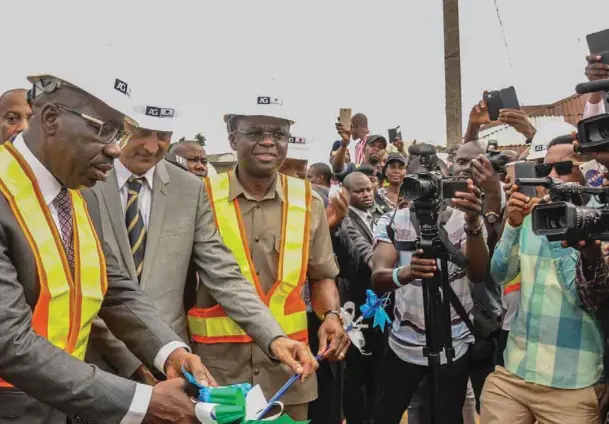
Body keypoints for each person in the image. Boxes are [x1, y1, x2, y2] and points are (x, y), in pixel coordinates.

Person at [0, 69, 213, 424]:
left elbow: (115, 288)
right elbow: (7, 341)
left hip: (64, 406)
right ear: (50, 118)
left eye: (119, 132)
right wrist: (144, 402)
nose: (115, 149)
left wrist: (169, 352)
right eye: (104, 129)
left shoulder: (79, 194)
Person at [86, 99, 315, 385]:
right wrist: (134, 360)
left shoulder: (190, 190)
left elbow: (224, 274)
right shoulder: (84, 183)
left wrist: (275, 337)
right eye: (141, 132)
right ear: (121, 125)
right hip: (95, 365)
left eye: (164, 136)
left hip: (170, 367)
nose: (151, 146)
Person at [188, 95, 349, 421]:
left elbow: (321, 276)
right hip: (217, 375)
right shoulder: (198, 197)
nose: (268, 142)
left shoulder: (308, 201)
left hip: (290, 373)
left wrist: (331, 314)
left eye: (278, 134)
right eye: (256, 132)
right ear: (233, 139)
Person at [481, 134, 605, 424]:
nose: (551, 176)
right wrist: (512, 225)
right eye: (543, 169)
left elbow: (585, 296)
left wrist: (559, 229)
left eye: (562, 168)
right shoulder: (530, 214)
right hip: (515, 370)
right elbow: (499, 274)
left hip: (572, 380)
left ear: (588, 169)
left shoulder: (600, 218)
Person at [370, 145, 489, 424]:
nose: (425, 192)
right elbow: (378, 276)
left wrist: (473, 222)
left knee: (448, 416)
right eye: (416, 183)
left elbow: (478, 273)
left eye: (432, 184)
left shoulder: (461, 219)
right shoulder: (392, 222)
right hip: (404, 344)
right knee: (385, 414)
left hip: (453, 344)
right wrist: (406, 273)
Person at [337, 171, 386, 424]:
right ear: (346, 193)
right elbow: (362, 250)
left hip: (381, 305)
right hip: (356, 307)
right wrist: (385, 266)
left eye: (369, 189)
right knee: (357, 369)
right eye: (360, 191)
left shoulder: (380, 213)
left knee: (378, 367)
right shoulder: (344, 220)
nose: (367, 194)